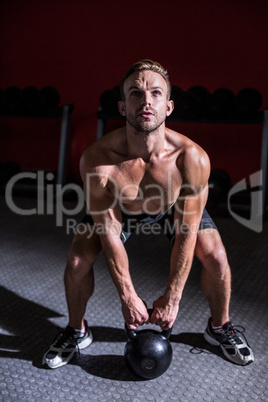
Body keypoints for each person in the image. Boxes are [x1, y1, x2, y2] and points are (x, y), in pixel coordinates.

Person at [43, 59, 254, 369]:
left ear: (168, 107)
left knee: (217, 258)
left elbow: (186, 232)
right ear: (122, 106)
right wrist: (127, 295)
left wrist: (173, 297)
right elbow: (108, 231)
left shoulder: (191, 158)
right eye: (135, 93)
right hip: (120, 210)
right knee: (77, 260)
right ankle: (77, 330)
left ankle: (219, 327)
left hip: (172, 210)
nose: (146, 101)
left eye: (156, 93)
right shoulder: (98, 160)